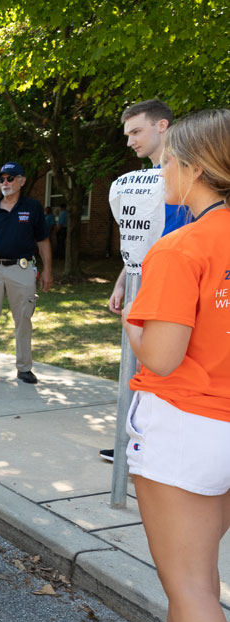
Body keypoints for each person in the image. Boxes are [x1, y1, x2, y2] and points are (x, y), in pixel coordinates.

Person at [94, 108, 230, 622]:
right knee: (195, 574)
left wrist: (131, 318)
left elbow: (161, 355)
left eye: (169, 159)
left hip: (186, 426)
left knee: (192, 585)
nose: (162, 169)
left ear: (194, 167)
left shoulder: (180, 248)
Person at [100, 98, 190, 462]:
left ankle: (158, 446)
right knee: (144, 366)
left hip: (174, 286)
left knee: (163, 364)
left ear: (162, 126)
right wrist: (123, 279)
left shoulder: (181, 177)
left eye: (136, 131)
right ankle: (139, 440)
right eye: (127, 134)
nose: (130, 141)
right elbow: (141, 240)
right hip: (146, 283)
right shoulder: (141, 180)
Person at [0, 162, 53, 384]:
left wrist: (47, 271)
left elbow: (43, 240)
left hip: (21, 268)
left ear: (22, 181)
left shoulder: (32, 207)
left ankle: (24, 368)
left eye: (10, 178)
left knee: (23, 318)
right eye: (2, 179)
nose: (5, 183)